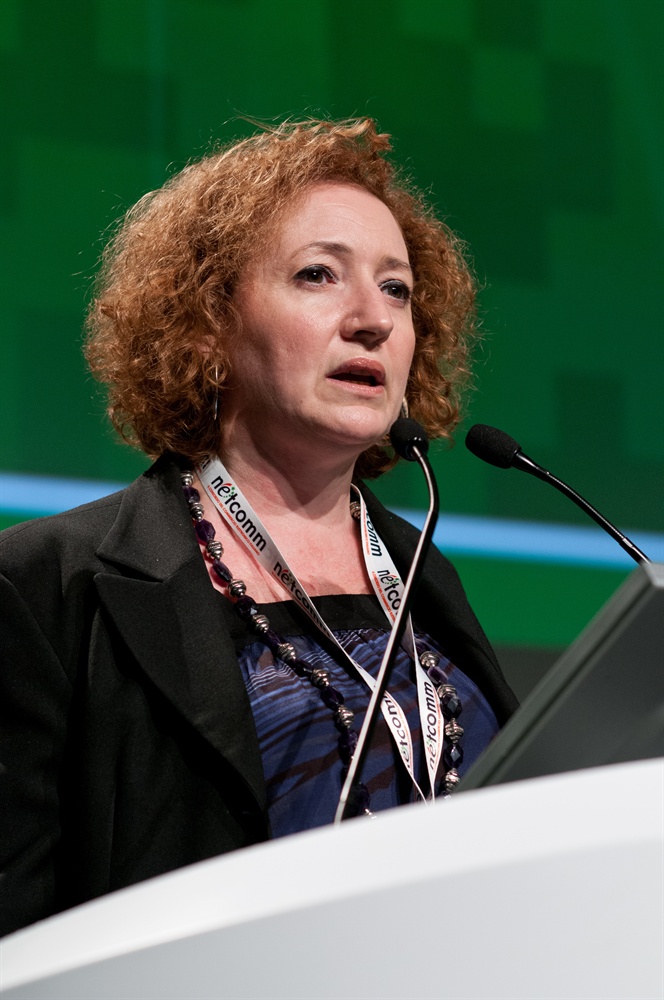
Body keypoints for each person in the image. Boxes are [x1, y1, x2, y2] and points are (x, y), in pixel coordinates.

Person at [0, 119, 517, 938]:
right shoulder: (49, 584)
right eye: (318, 275)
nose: (373, 319)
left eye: (397, 289)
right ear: (207, 323)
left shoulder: (423, 574)